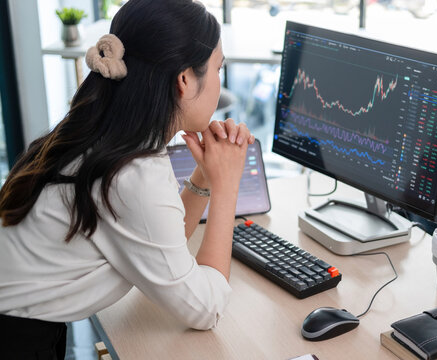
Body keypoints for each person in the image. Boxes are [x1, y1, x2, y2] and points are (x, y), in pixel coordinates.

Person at [0, 0, 254, 358]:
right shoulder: (131, 172)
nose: (218, 83)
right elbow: (205, 308)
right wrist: (228, 186)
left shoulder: (109, 139)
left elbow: (161, 243)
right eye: (216, 69)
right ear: (184, 80)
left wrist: (206, 177)